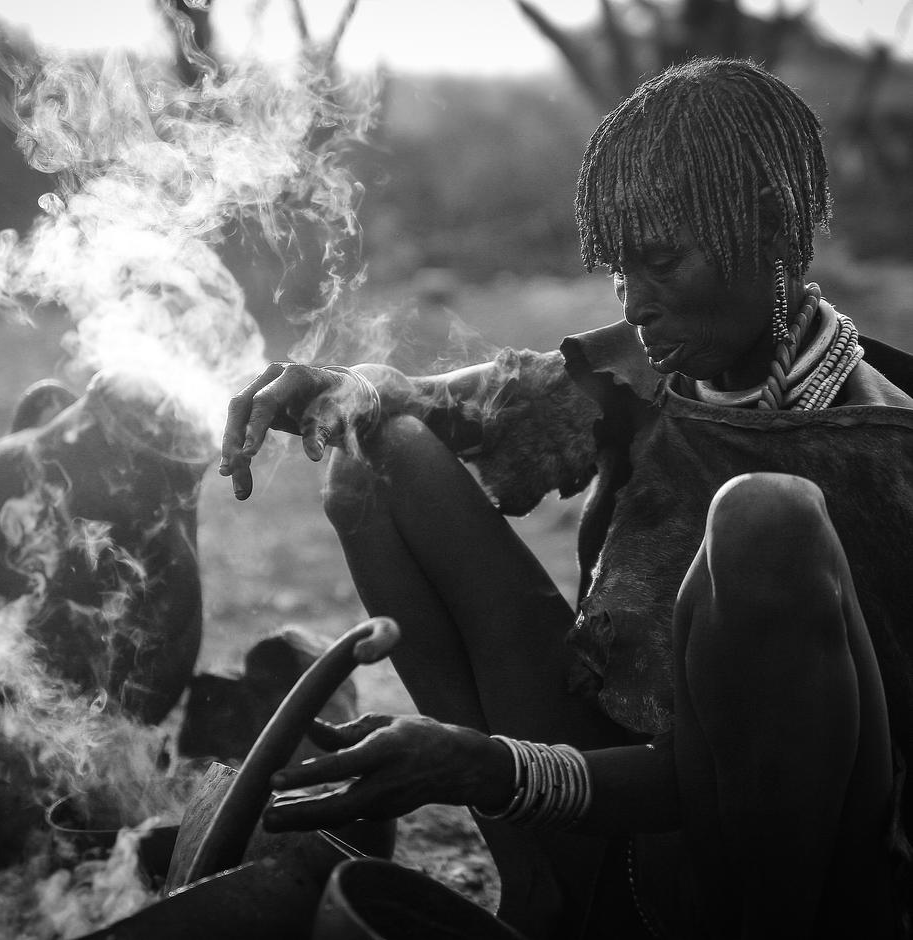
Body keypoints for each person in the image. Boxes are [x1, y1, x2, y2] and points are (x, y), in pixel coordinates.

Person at [219, 58, 913, 939]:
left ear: (773, 230)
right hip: (607, 822)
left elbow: (758, 773)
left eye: (662, 263)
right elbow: (454, 399)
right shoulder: (652, 368)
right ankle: (544, 892)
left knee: (763, 517)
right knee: (376, 450)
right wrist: (336, 385)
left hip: (763, 882)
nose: (637, 302)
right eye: (621, 270)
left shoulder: (883, 453)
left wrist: (492, 768)